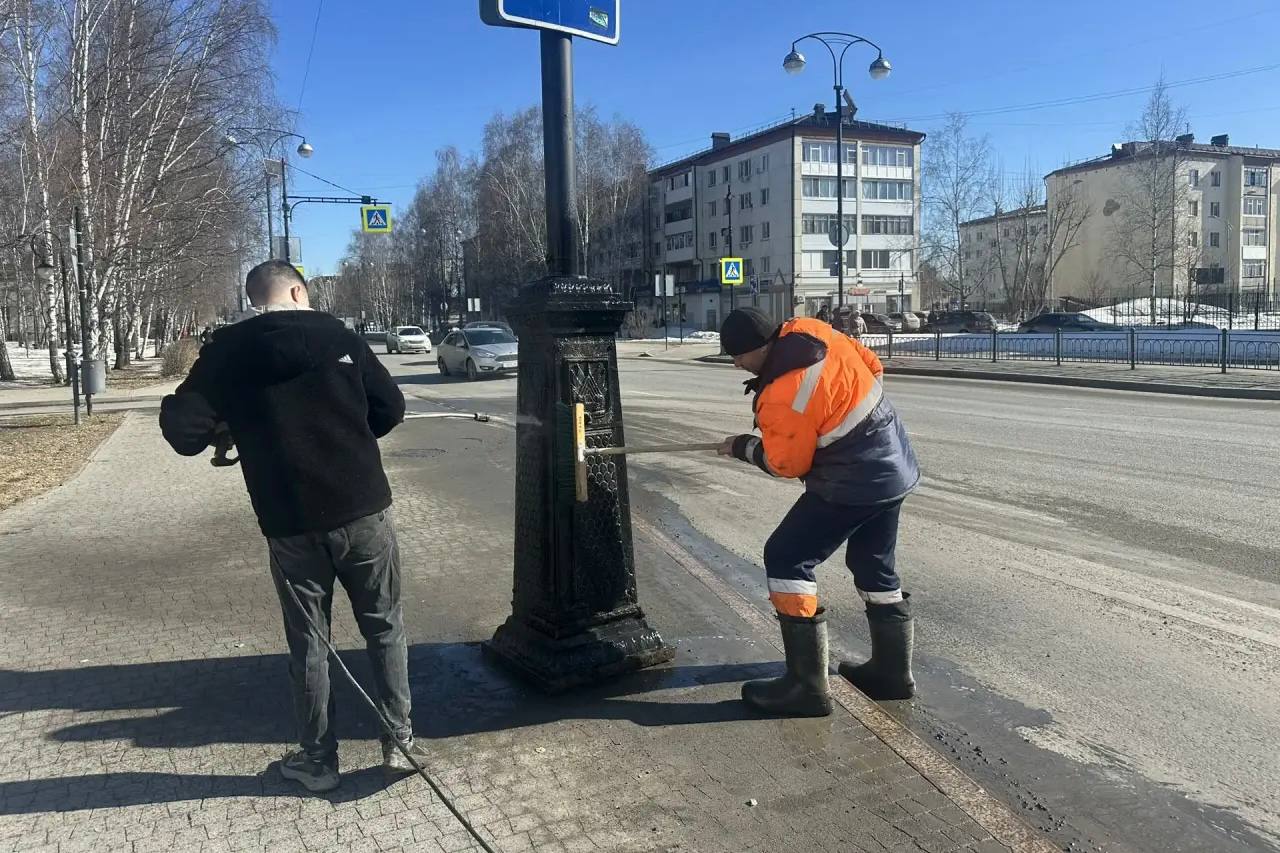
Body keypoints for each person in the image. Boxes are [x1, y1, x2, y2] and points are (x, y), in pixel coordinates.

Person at [158, 260, 423, 792]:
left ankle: (318, 761)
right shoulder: (341, 337)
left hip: (288, 522)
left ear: (255, 298)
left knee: (309, 643)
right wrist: (350, 431)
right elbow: (390, 408)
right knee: (385, 627)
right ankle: (398, 744)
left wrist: (228, 424)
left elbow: (182, 431)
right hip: (363, 510)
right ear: (299, 291)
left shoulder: (227, 352)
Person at [716, 307, 920, 716]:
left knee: (787, 557)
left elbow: (786, 464)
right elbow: (872, 366)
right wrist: (850, 423)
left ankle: (806, 687)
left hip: (853, 481)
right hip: (893, 463)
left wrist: (742, 446)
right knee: (872, 562)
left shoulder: (783, 393)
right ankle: (892, 675)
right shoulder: (811, 330)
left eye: (738, 355)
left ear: (761, 348)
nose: (735, 363)